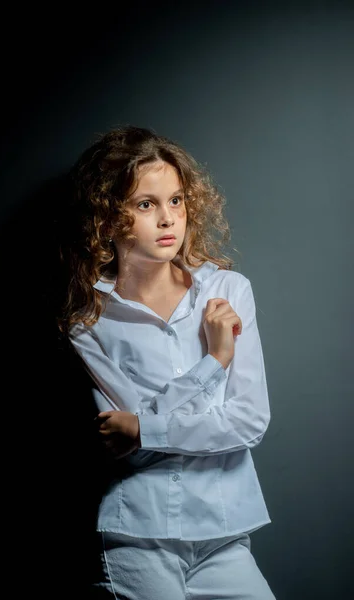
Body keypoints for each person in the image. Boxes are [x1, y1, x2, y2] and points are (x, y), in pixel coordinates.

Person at [58, 125, 276, 599]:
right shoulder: (89, 321)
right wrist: (215, 361)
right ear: (107, 217)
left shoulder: (228, 291)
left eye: (175, 201)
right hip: (136, 537)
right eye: (145, 204)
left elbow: (249, 421)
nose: (167, 220)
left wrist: (146, 427)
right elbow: (127, 447)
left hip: (224, 534)